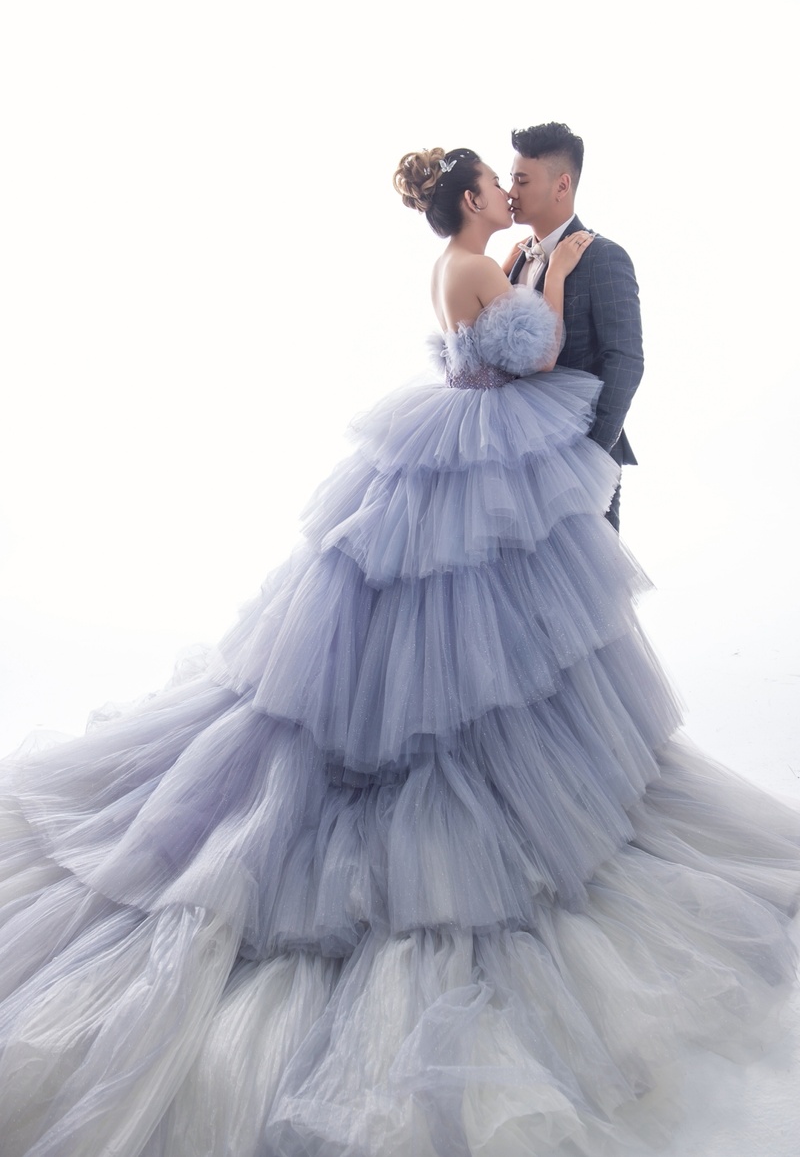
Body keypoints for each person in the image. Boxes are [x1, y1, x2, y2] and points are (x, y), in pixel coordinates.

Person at [0, 145, 798, 1157]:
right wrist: (552, 277)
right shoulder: (488, 265)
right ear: (471, 198)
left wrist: (536, 273)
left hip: (469, 439)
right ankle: (475, 772)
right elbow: (539, 356)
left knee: (480, 617)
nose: (506, 190)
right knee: (464, 621)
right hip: (483, 442)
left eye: (516, 178)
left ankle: (501, 745)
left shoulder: (475, 261)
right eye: (494, 183)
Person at [506, 122, 643, 531]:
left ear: (561, 185)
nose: (511, 192)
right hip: (517, 457)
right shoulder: (516, 258)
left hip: (582, 456)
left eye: (522, 181)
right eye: (511, 179)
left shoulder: (604, 256)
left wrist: (591, 455)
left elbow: (625, 360)